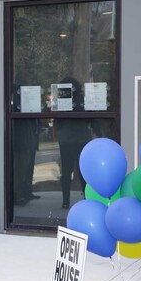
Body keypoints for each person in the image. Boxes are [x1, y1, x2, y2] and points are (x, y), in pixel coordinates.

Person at [54, 77, 93, 209]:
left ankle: (65, 201)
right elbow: (92, 121)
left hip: (66, 140)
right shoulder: (84, 101)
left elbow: (57, 125)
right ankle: (88, 198)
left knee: (66, 171)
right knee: (84, 172)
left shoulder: (62, 103)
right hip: (83, 139)